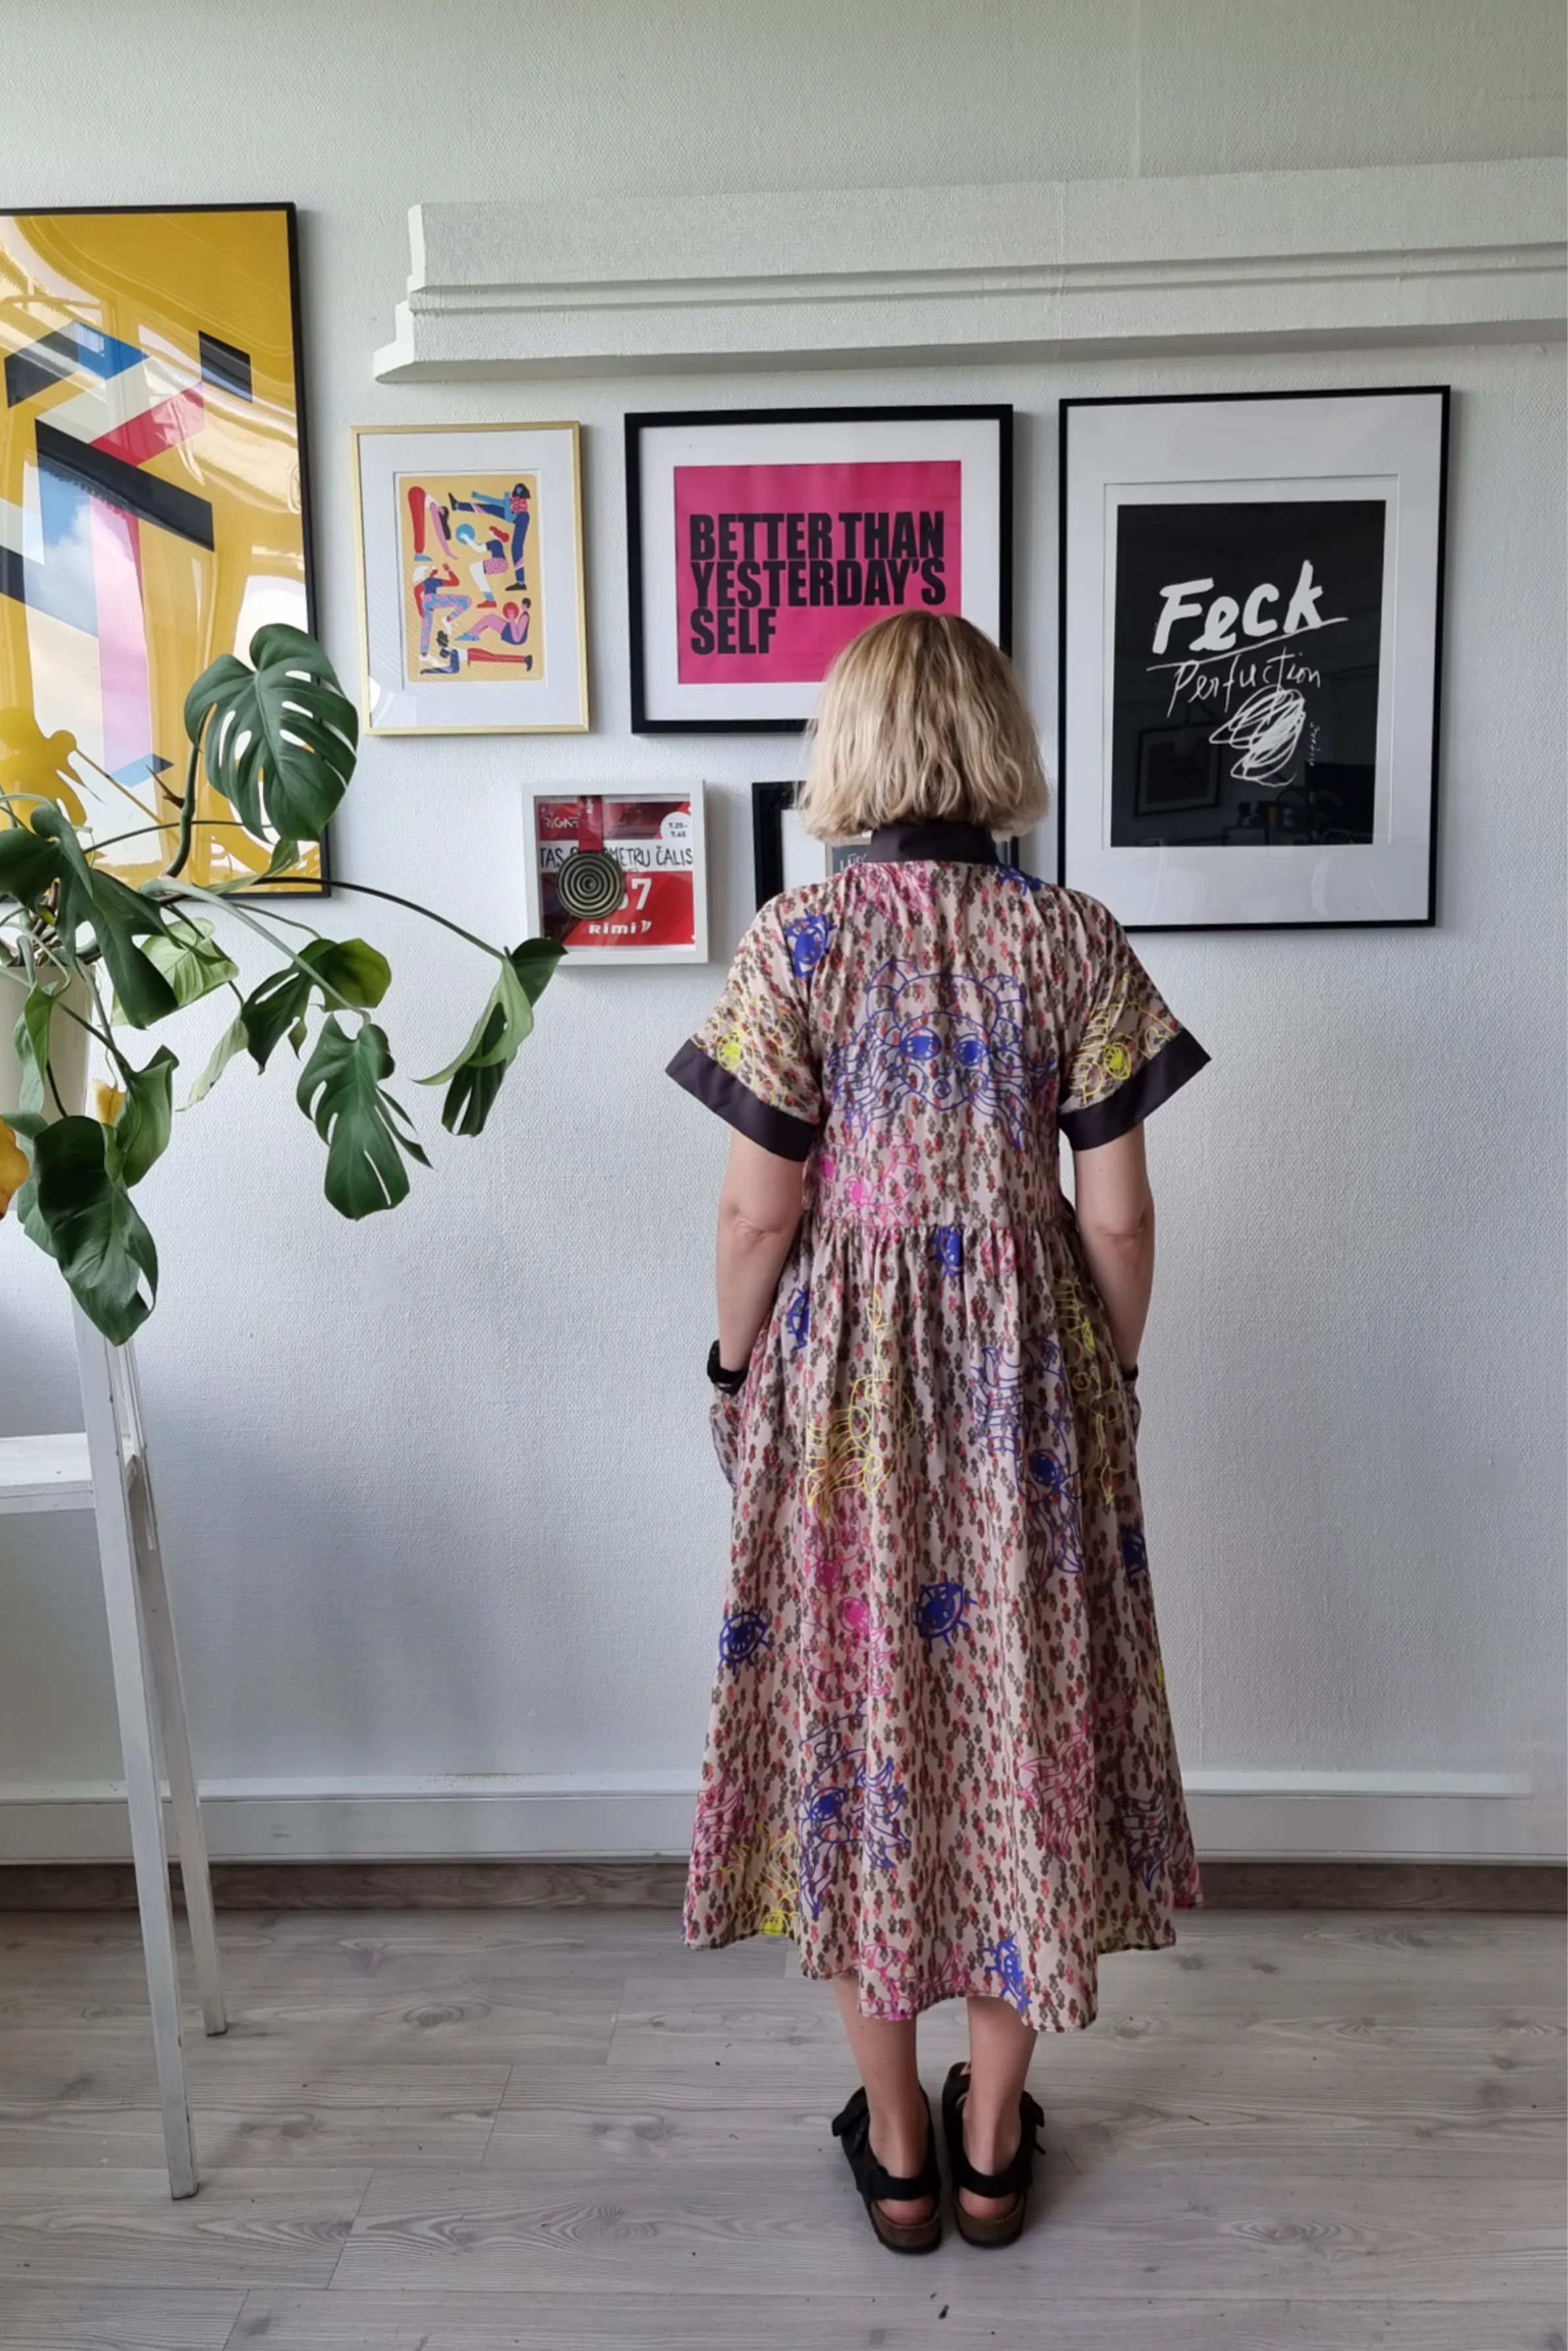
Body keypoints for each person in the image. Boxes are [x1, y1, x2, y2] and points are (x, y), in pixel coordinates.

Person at [666, 611, 1208, 2252]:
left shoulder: (798, 942)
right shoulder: (1077, 940)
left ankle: (893, 2142)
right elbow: (1117, 1219)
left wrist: (731, 1370)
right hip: (1031, 1380)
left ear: (851, 753)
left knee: (860, 1738)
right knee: (1024, 1726)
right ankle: (992, 2142)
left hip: (844, 1391)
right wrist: (1103, 1371)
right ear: (997, 747)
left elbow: (760, 1212)